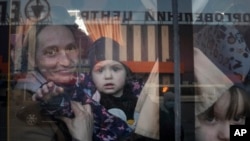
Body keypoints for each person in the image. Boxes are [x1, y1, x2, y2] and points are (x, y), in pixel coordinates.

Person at [10, 25, 132, 141]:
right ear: (32, 59)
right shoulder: (26, 107)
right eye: (51, 52)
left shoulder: (79, 86)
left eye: (70, 48)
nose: (66, 62)